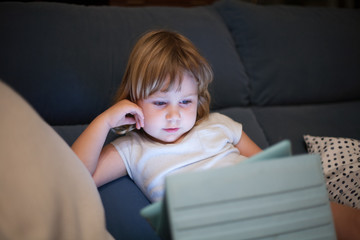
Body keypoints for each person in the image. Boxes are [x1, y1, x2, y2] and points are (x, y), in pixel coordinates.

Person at [71, 29, 262, 203]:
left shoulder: (219, 123)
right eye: (160, 103)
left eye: (186, 102)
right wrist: (104, 122)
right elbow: (75, 178)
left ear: (198, 99)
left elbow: (271, 166)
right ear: (134, 101)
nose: (174, 116)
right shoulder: (131, 149)